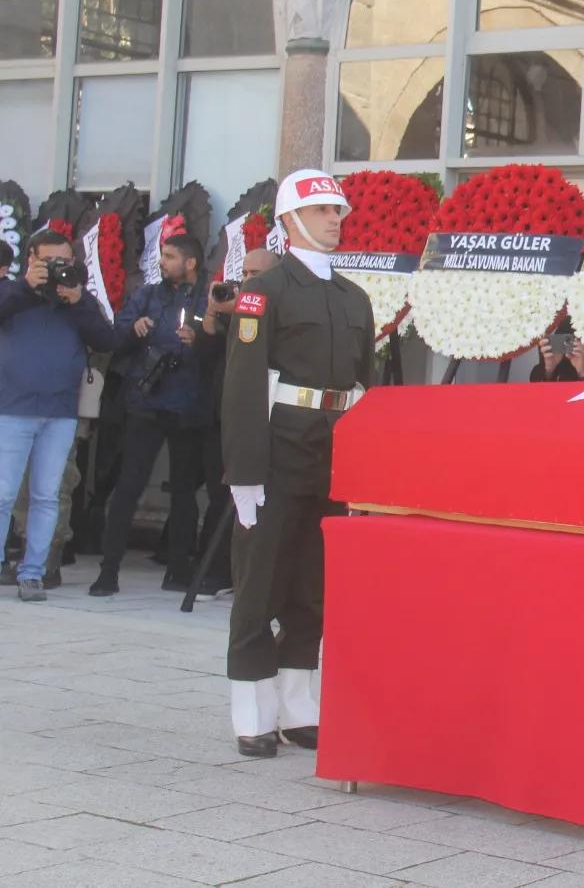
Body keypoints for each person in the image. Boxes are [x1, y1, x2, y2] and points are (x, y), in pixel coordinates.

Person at [222, 171, 374, 758]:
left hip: (332, 452)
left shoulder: (352, 297)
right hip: (278, 449)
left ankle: (297, 708)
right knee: (260, 584)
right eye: (321, 211)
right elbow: (241, 386)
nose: (335, 219)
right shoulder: (268, 292)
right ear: (289, 222)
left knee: (313, 588)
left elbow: (367, 386)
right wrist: (244, 473)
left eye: (338, 210)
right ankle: (253, 715)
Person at [92, 234, 211, 595]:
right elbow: (115, 337)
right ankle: (108, 571)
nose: (162, 261)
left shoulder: (209, 296)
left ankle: (177, 570)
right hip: (146, 402)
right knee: (129, 486)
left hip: (189, 407)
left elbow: (224, 346)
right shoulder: (148, 294)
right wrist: (134, 328)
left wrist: (200, 339)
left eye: (170, 256)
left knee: (184, 492)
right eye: (163, 254)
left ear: (190, 262)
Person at [0, 231, 114, 601]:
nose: (56, 269)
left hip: (60, 412)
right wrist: (25, 288)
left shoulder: (79, 300)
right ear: (31, 259)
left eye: (63, 262)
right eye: (49, 262)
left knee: (47, 496)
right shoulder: (11, 292)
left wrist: (78, 300)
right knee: (2, 496)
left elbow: (108, 341)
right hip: (12, 408)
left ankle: (33, 573)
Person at [192, 247, 281, 598]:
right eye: (243, 273)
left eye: (255, 274)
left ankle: (241, 577)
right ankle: (215, 571)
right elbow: (208, 343)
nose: (247, 281)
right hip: (222, 416)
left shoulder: (274, 307)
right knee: (219, 496)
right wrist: (214, 310)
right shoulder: (239, 309)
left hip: (263, 420)